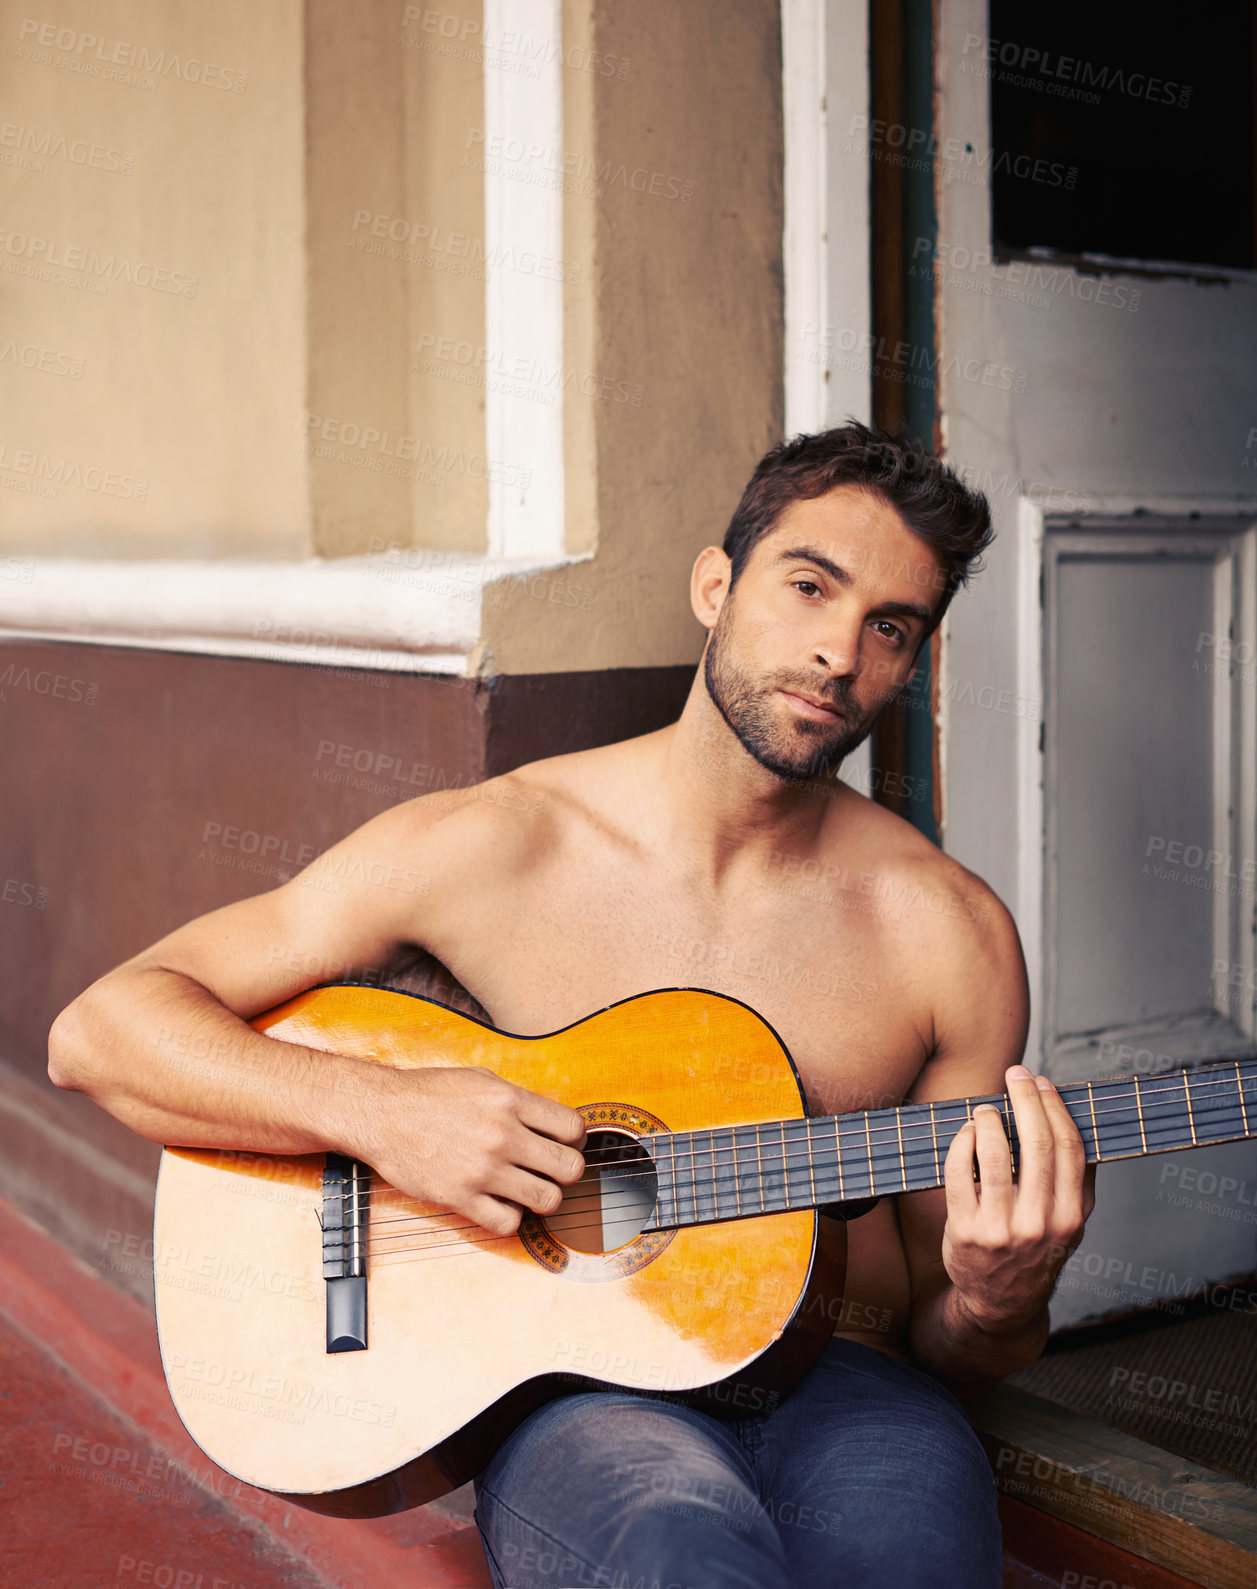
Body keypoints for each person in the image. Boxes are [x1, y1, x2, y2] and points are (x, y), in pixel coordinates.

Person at [49, 421, 1095, 1589]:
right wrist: (382, 1113)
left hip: (851, 1381)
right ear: (717, 583)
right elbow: (102, 1031)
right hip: (575, 1392)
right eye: (810, 586)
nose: (837, 652)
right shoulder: (490, 844)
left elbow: (945, 1341)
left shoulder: (949, 933)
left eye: (890, 627)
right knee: (680, 1557)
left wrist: (1005, 1297)